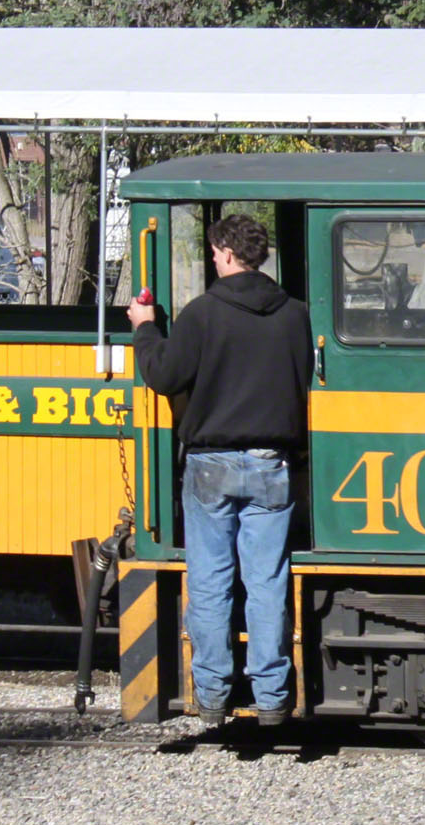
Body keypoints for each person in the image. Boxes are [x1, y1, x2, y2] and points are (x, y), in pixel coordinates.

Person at [127, 215, 313, 727]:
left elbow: (164, 375)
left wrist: (145, 330)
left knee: (210, 581)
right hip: (270, 465)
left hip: (210, 465)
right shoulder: (295, 315)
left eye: (212, 253)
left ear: (227, 253)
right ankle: (273, 695)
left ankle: (211, 694)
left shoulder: (202, 314)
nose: (212, 260)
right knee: (267, 579)